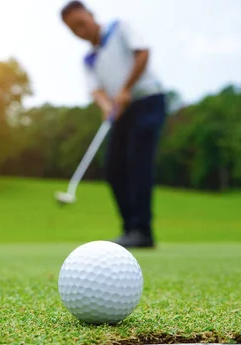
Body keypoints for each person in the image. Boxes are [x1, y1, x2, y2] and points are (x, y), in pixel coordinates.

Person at [60, 1, 168, 249]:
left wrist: (126, 89)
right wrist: (106, 105)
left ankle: (143, 230)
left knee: (137, 163)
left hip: (147, 100)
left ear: (90, 15)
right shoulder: (89, 59)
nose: (80, 30)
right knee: (113, 168)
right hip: (120, 111)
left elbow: (143, 53)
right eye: (73, 29)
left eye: (81, 23)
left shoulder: (120, 27)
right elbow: (95, 89)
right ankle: (130, 228)